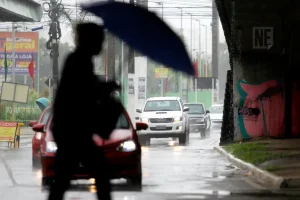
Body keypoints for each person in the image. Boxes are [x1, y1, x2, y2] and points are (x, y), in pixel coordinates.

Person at [48, 23, 120, 200]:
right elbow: (85, 92)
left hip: (73, 131)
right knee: (98, 173)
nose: (101, 46)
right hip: (73, 132)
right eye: (99, 42)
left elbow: (89, 88)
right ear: (90, 41)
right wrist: (106, 88)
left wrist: (105, 87)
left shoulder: (80, 60)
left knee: (63, 179)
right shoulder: (79, 61)